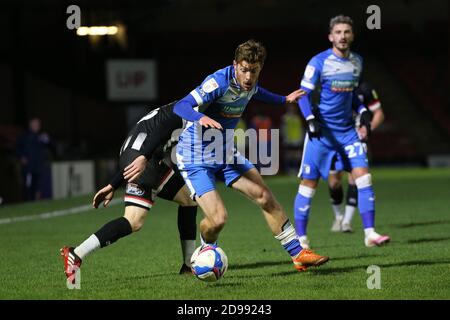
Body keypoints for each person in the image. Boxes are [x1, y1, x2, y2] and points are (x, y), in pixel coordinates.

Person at [173, 39, 329, 272]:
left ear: (260, 69)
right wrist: (200, 117)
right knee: (218, 220)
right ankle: (206, 249)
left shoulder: (250, 83)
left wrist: (283, 99)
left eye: (253, 71)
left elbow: (258, 92)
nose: (248, 77)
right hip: (195, 156)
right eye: (244, 70)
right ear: (235, 65)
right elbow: (181, 106)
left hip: (224, 152)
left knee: (265, 196)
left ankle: (298, 254)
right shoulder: (217, 82)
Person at [60, 101, 200, 283]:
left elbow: (144, 143)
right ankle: (76, 253)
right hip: (144, 160)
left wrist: (113, 184)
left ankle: (189, 266)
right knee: (134, 221)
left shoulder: (180, 106)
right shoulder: (192, 110)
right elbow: (155, 139)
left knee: (189, 199)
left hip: (136, 156)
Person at [294, 16, 390, 248]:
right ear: (331, 36)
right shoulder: (318, 62)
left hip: (347, 132)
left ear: (352, 35)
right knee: (309, 184)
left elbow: (353, 94)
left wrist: (363, 110)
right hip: (322, 133)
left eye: (347, 31)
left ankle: (370, 233)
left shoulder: (357, 62)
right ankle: (301, 240)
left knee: (364, 177)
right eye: (338, 32)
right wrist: (309, 119)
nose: (343, 36)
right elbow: (303, 94)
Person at [329, 82, 385, 233]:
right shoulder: (332, 84)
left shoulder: (365, 89)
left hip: (356, 139)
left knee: (356, 178)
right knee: (334, 182)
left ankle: (347, 221)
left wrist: (368, 128)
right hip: (336, 138)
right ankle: (338, 217)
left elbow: (379, 113)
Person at [15, 117, 53, 201]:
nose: (37, 126)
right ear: (30, 124)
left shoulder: (41, 136)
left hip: (38, 166)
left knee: (37, 186)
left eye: (38, 124)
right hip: (28, 167)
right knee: (27, 186)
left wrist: (48, 139)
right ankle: (26, 202)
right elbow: (17, 148)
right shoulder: (24, 136)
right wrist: (21, 157)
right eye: (35, 124)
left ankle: (34, 202)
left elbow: (51, 145)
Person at [281, 104, 304, 174]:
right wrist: (285, 137)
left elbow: (301, 128)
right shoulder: (285, 117)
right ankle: (289, 169)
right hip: (289, 139)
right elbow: (283, 128)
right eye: (291, 109)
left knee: (297, 155)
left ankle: (296, 169)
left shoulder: (297, 118)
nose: (292, 110)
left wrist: (301, 137)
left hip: (297, 139)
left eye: (293, 109)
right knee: (289, 155)